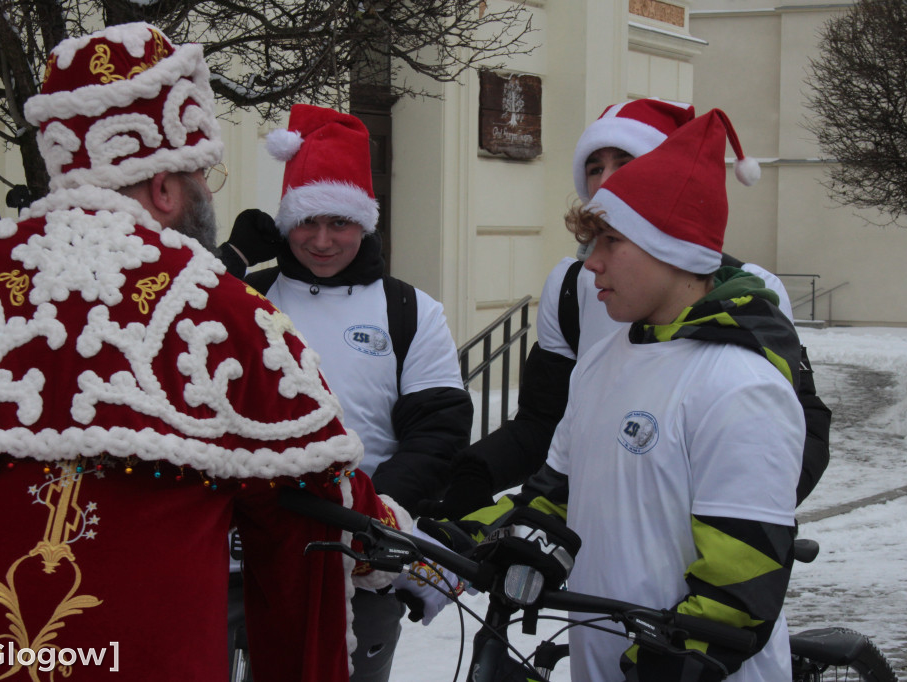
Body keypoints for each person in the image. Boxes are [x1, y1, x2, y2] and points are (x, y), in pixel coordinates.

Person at [0, 23, 454, 682]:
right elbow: (315, 505)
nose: (210, 193)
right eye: (203, 173)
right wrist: (392, 535)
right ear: (164, 187)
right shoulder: (223, 312)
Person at [453, 109, 805, 681]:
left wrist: (657, 667)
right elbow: (556, 494)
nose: (590, 263)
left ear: (675, 249)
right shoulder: (603, 360)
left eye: (610, 241)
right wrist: (473, 535)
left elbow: (739, 588)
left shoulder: (740, 385)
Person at [419, 98, 830, 520]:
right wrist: (476, 473)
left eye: (627, 162)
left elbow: (800, 430)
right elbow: (546, 425)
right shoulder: (569, 286)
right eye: (595, 168)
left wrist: (724, 508)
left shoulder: (751, 292)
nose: (607, 182)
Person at [222, 104, 473, 682]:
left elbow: (437, 432)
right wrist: (228, 266)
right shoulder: (244, 301)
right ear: (286, 223)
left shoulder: (411, 310)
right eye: (307, 222)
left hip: (361, 560)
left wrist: (376, 518)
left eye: (340, 222)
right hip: (245, 560)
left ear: (366, 222)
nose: (323, 240)